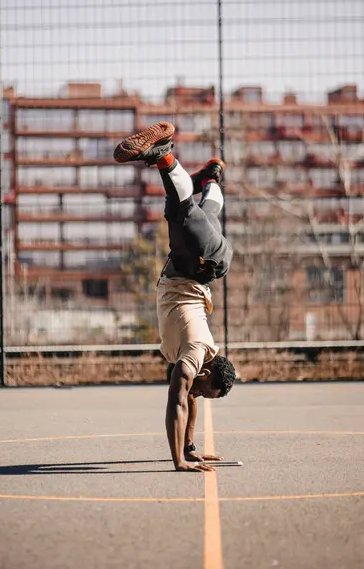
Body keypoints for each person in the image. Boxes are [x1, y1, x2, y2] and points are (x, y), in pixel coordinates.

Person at [114, 122, 236, 472]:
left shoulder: (197, 360)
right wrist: (179, 460)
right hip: (199, 265)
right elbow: (178, 401)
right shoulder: (196, 352)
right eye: (203, 389)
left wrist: (192, 445)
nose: (196, 393)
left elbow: (191, 397)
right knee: (180, 210)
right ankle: (163, 154)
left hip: (204, 264)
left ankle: (210, 178)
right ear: (206, 372)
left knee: (206, 212)